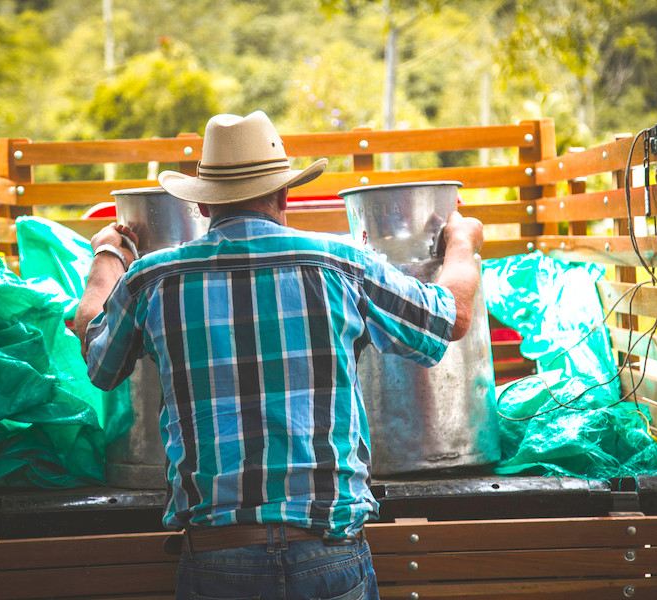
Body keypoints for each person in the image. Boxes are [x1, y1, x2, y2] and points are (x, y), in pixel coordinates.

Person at [75, 110, 484, 600]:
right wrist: (462, 245)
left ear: (204, 207)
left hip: (216, 558)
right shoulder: (340, 264)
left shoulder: (154, 278)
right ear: (285, 193)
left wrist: (108, 255)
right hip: (329, 554)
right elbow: (451, 317)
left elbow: (98, 358)